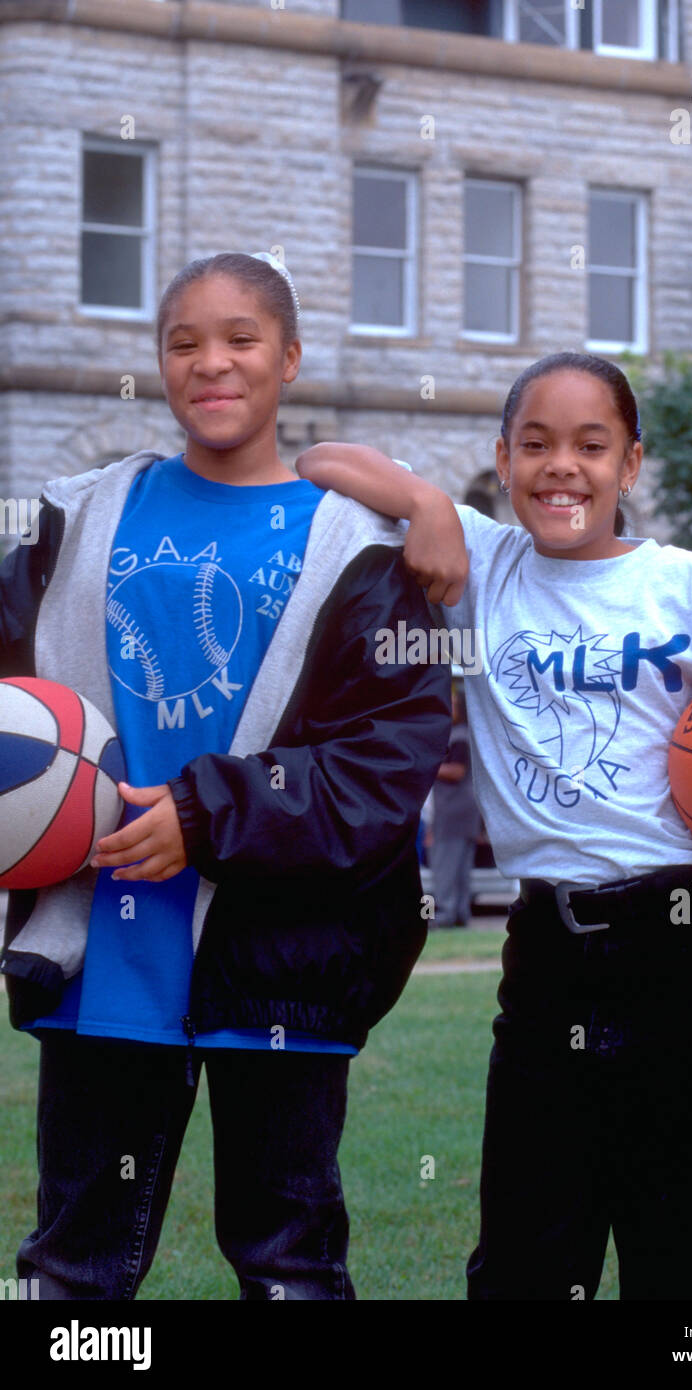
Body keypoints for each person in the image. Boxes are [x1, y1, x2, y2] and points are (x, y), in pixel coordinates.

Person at [294, 350, 692, 1300]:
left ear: (629, 465)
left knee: (688, 1260)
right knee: (525, 1256)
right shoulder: (482, 560)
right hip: (549, 950)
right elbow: (322, 460)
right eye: (536, 445)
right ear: (504, 459)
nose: (562, 466)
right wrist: (429, 506)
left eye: (590, 446)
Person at [0, 251, 450, 1300]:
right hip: (102, 952)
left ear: (288, 357)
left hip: (279, 959)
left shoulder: (365, 552)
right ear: (160, 363)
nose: (212, 362)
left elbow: (382, 769)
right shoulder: (73, 522)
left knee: (288, 1265)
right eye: (183, 342)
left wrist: (206, 816)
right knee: (69, 1273)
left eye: (241, 338)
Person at [430, 684, 480, 928]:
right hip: (467, 810)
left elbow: (457, 771)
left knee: (444, 862)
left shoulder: (457, 737)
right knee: (461, 866)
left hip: (453, 809)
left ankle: (444, 913)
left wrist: (426, 766)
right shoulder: (467, 734)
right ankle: (460, 913)